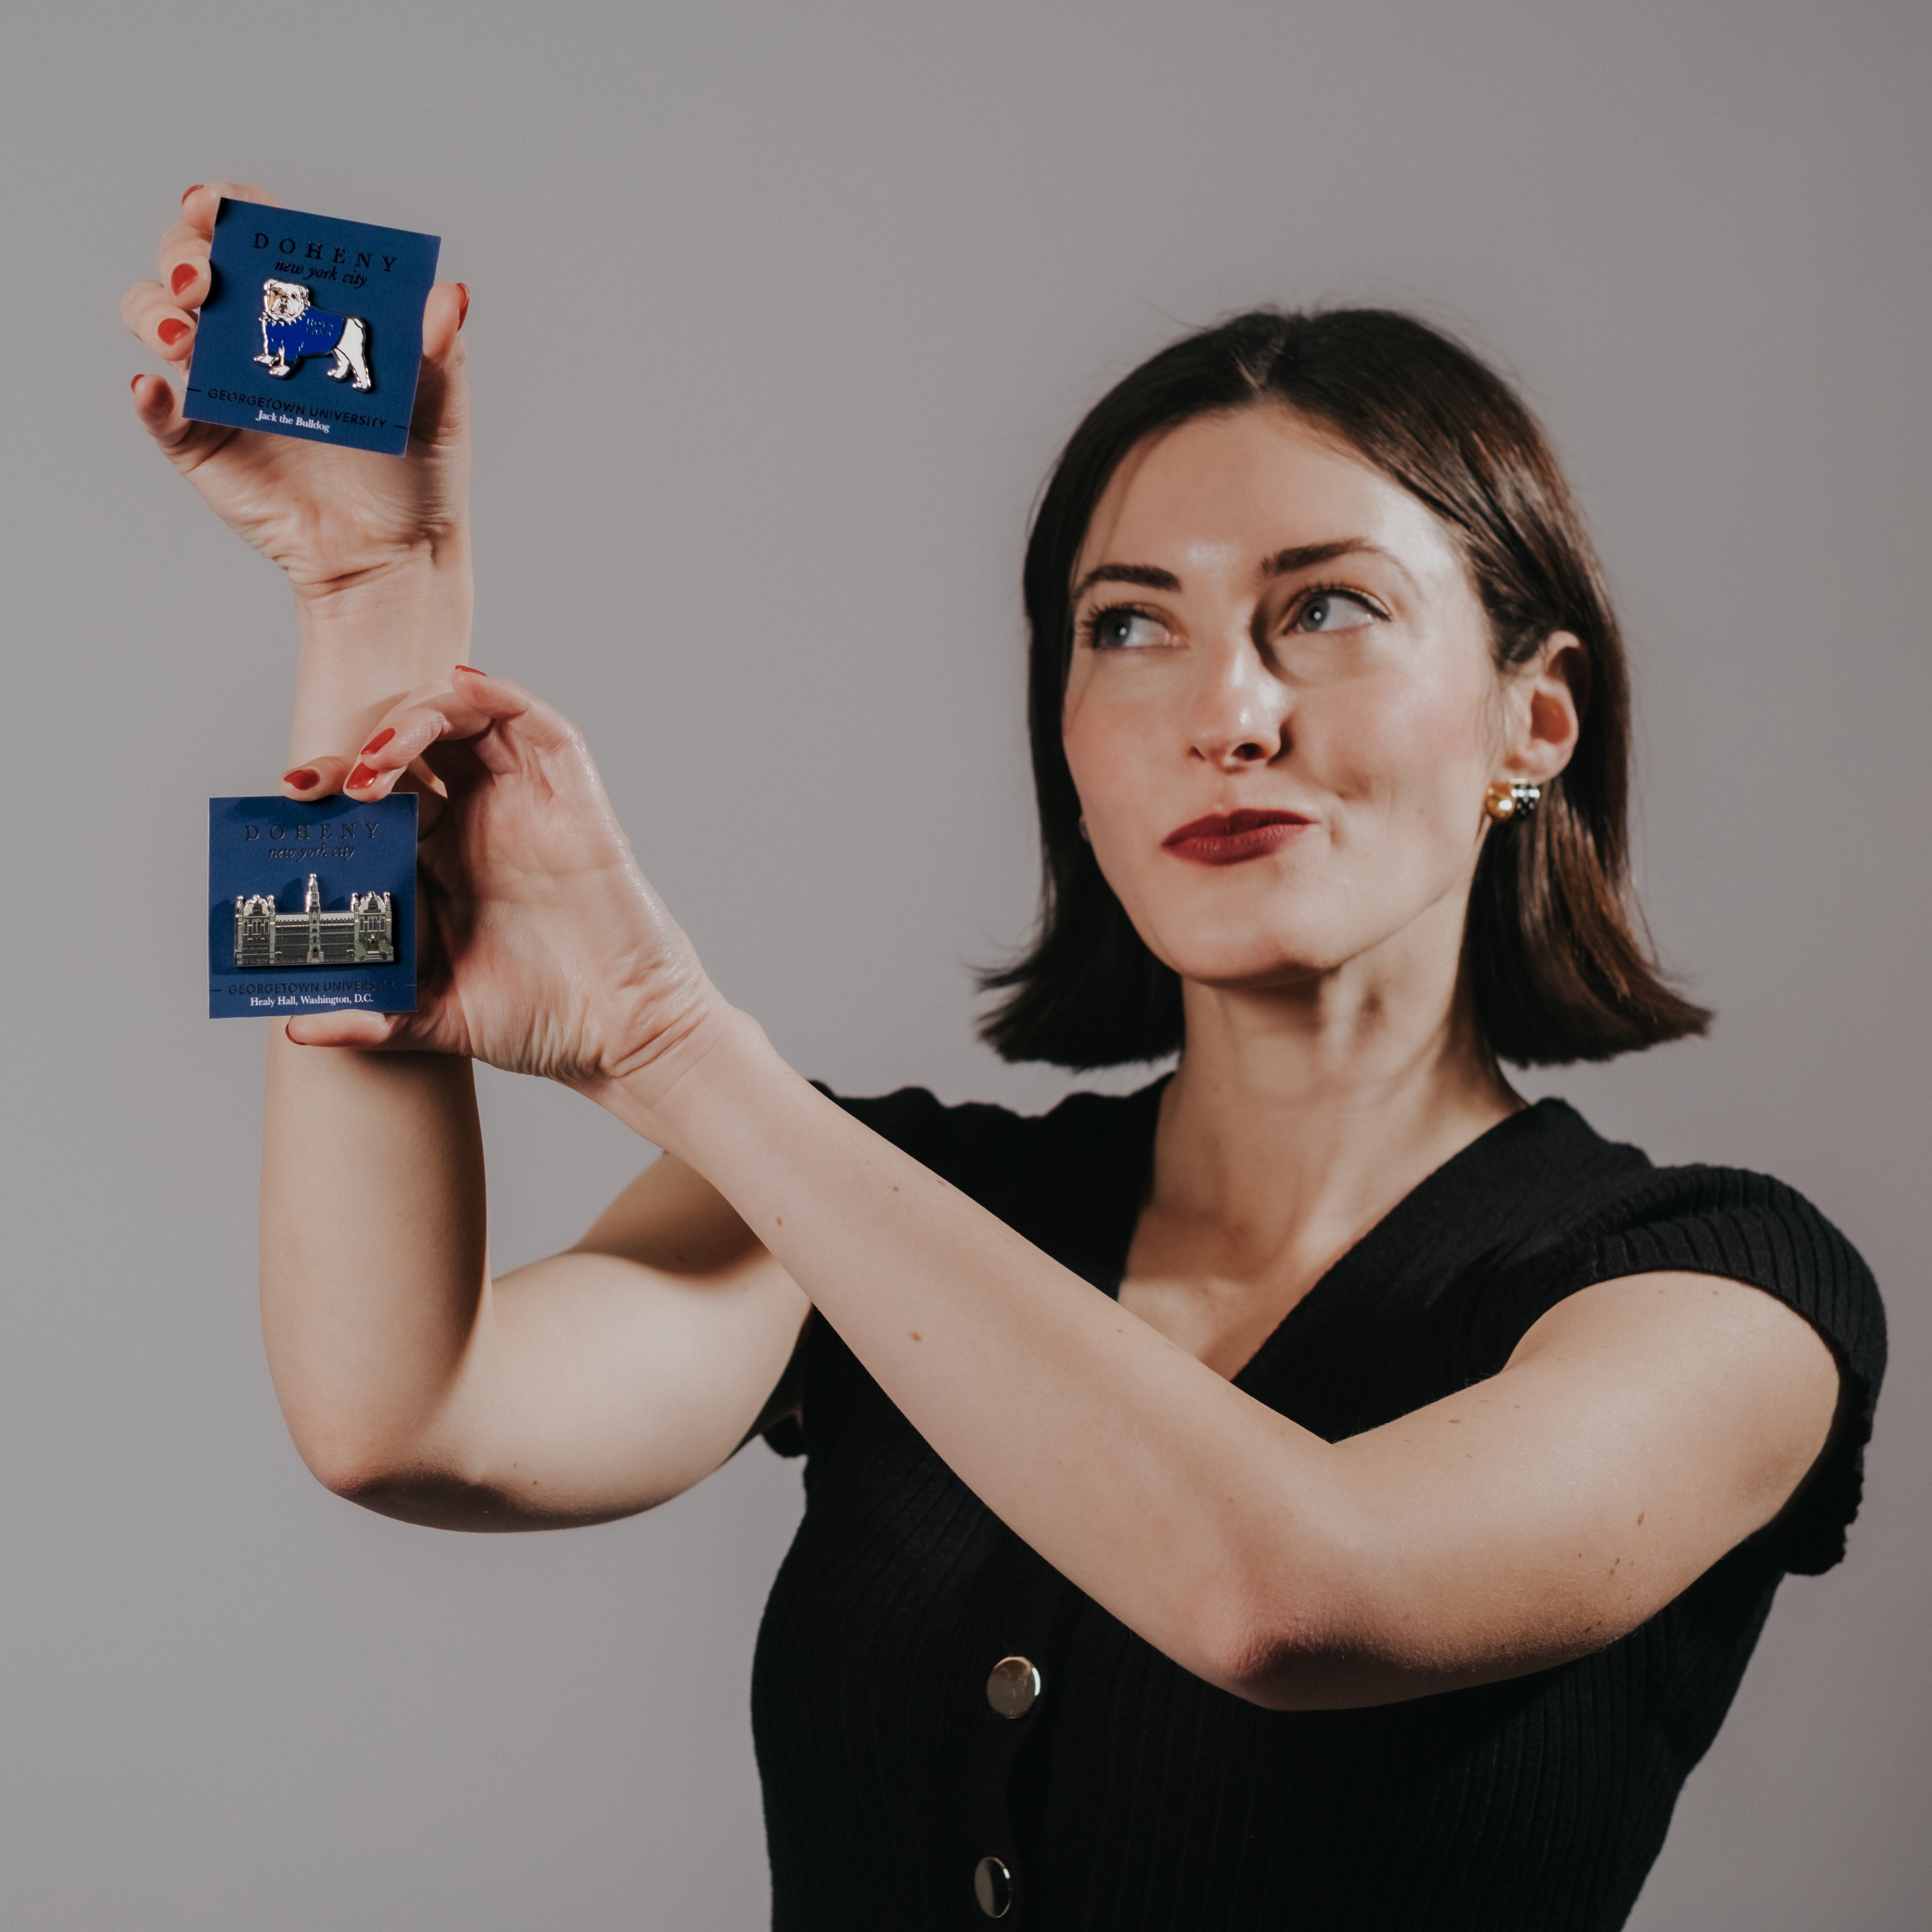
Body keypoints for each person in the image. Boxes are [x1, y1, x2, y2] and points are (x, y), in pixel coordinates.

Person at [126, 184, 1885, 1931]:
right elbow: (398, 1418)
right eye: (1129, 625)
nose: (1224, 712)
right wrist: (369, 595)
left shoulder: (1715, 1292)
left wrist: (667, 1040)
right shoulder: (878, 1199)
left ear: (1534, 716)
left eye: (1329, 608)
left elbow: (1291, 1598)